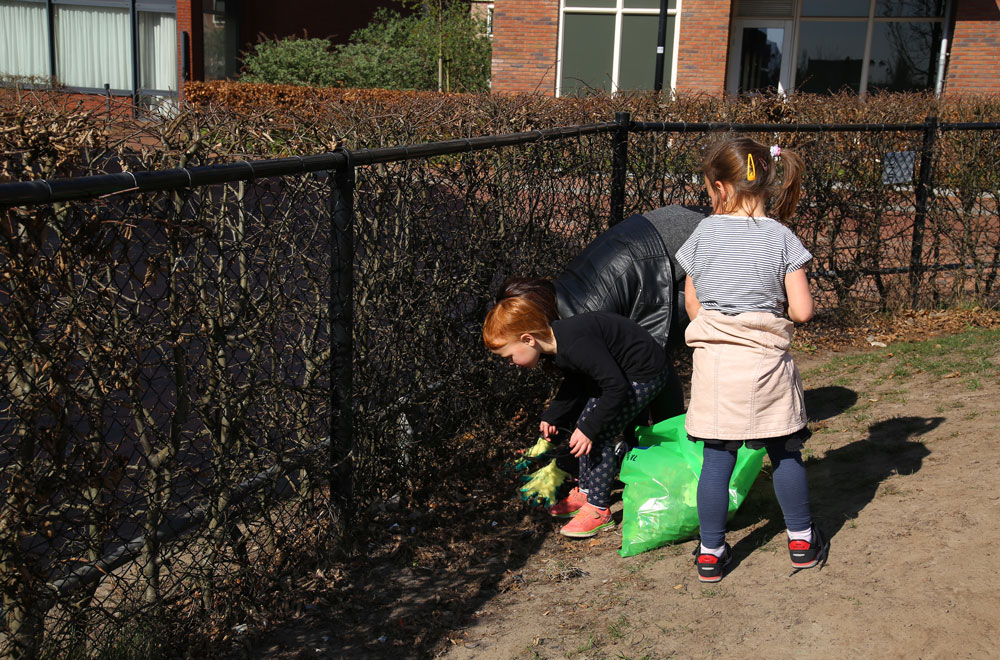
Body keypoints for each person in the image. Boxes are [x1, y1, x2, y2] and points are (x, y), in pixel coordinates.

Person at [674, 137, 829, 583]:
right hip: (767, 366)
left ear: (720, 188)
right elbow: (801, 311)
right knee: (785, 453)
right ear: (768, 183)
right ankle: (801, 541)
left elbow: (693, 307)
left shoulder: (702, 234)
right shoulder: (783, 238)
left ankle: (710, 553)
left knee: (717, 461)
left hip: (716, 368)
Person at [483, 296, 669, 538]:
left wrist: (591, 429)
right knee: (584, 428)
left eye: (509, 357)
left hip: (643, 373)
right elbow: (577, 382)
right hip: (619, 376)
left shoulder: (575, 345)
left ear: (527, 339)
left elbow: (615, 387)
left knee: (599, 435)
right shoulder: (559, 344)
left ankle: (599, 510)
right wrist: (554, 416)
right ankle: (587, 491)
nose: (510, 363)